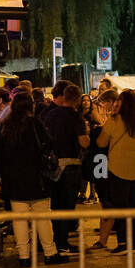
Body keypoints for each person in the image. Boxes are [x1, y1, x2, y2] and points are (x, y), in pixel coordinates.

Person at [0, 91, 62, 267]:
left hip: (13, 180)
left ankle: (23, 256)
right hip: (37, 179)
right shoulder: (36, 124)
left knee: (19, 220)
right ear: (31, 106)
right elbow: (49, 144)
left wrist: (0, 170)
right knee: (43, 217)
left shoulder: (5, 126)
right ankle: (50, 253)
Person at [96, 89, 135, 252]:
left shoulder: (114, 120)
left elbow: (101, 143)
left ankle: (123, 244)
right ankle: (133, 244)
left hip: (118, 170)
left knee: (121, 208)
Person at [42, 83, 90, 254]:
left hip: (52, 166)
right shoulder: (75, 117)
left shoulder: (51, 114)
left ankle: (52, 242)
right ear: (77, 99)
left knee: (54, 205)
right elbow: (83, 141)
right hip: (70, 166)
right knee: (67, 205)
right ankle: (62, 242)